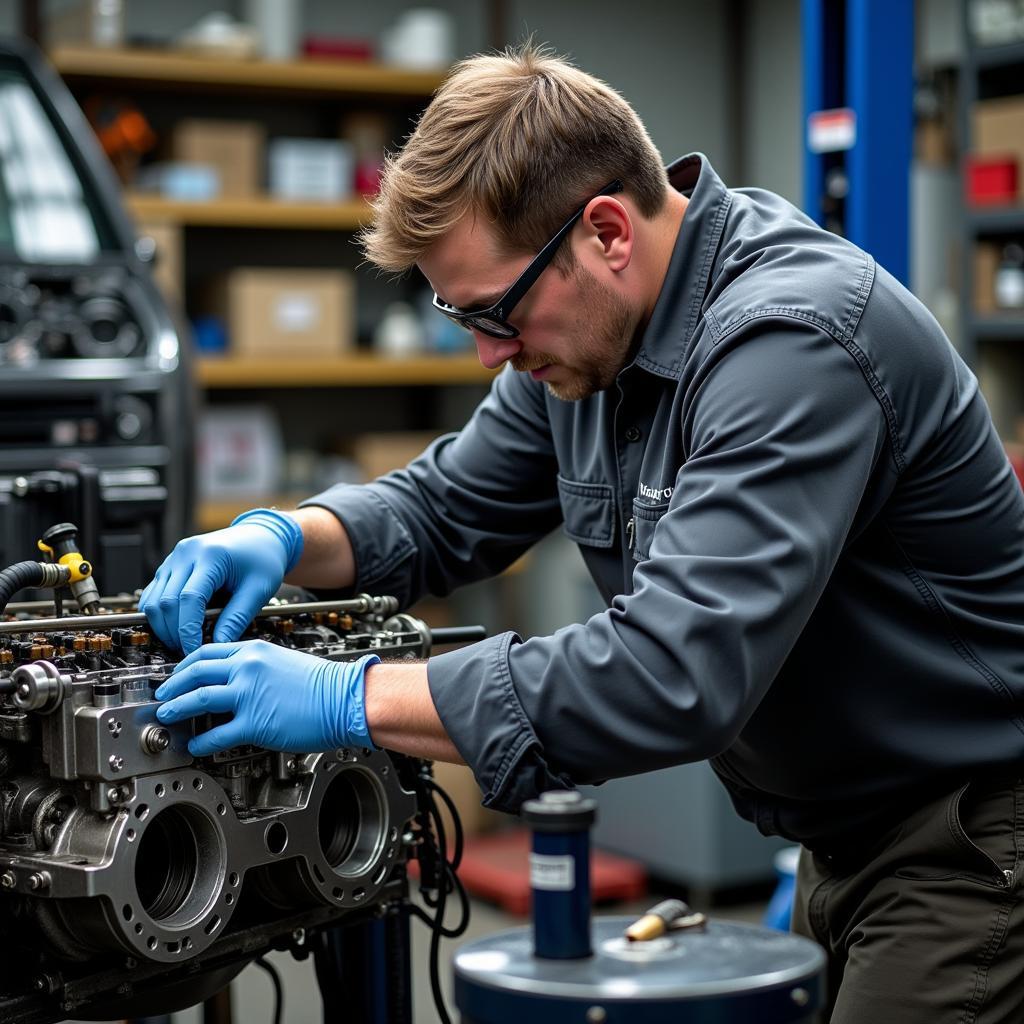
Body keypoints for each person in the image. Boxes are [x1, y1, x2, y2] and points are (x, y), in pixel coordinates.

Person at [142, 44, 1024, 1023]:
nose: (486, 354)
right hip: (842, 835)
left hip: (972, 838)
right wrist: (278, 534)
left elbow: (668, 671)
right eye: (455, 314)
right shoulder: (585, 345)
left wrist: (350, 695)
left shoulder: (792, 342)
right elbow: (444, 505)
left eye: (494, 311)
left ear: (604, 230)